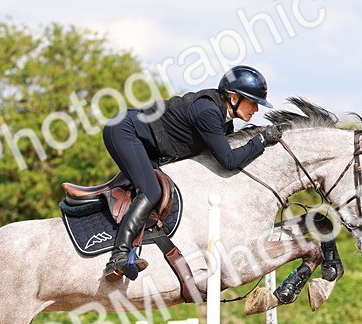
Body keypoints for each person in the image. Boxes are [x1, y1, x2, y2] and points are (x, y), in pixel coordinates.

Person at [100, 64, 283, 281]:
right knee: (151, 191)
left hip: (144, 143)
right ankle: (118, 256)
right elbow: (229, 161)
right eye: (253, 102)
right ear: (234, 98)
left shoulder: (224, 122)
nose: (257, 109)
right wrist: (261, 140)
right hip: (124, 131)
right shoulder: (208, 112)